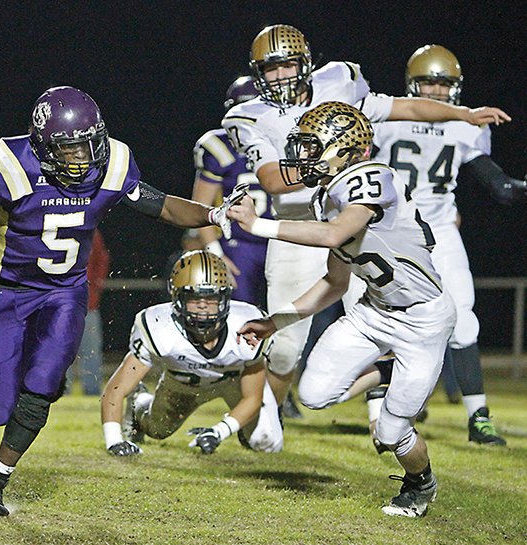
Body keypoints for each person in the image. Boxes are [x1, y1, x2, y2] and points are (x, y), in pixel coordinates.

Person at [0, 86, 243, 517]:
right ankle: (29, 390)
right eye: (71, 149)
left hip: (64, 294)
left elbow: (162, 206)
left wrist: (215, 214)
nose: (83, 158)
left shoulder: (110, 164)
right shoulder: (11, 168)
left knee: (38, 391)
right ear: (43, 146)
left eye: (89, 145)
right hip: (9, 293)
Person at [221, 24, 511, 441]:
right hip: (300, 225)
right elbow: (271, 178)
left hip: (353, 216)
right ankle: (275, 408)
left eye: (289, 66)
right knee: (284, 348)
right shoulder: (249, 115)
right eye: (272, 69)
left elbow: (405, 108)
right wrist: (324, 161)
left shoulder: (339, 81)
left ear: (306, 65)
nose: (282, 75)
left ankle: (385, 411)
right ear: (258, 73)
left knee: (387, 309)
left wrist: (461, 115)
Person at [229, 101, 456, 517]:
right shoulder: (326, 197)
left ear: (345, 150)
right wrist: (273, 322)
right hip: (374, 312)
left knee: (389, 432)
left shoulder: (373, 176)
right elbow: (336, 283)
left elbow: (337, 232)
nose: (302, 157)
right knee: (313, 396)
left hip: (423, 319)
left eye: (313, 147)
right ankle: (388, 371)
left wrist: (258, 224)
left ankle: (420, 486)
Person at [372, 44, 524, 446]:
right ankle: (386, 409)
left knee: (463, 318)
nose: (437, 92)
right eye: (428, 83)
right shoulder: (386, 118)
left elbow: (498, 185)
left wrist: (513, 188)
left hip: (439, 230)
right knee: (381, 321)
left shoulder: (467, 125)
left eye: (444, 85)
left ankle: (479, 417)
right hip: (392, 232)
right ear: (411, 85)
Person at [101, 249, 280, 456]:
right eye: (194, 299)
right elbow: (116, 389)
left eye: (211, 299)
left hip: (234, 382)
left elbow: (252, 397)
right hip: (182, 385)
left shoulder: (249, 325)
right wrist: (114, 441)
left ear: (224, 298)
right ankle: (139, 404)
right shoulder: (159, 326)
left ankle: (245, 429)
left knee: (267, 442)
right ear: (177, 298)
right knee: (157, 430)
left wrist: (219, 431)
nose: (203, 307)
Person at [191, 76, 272, 305]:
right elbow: (201, 207)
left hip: (281, 238)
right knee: (239, 312)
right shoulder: (219, 146)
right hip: (238, 244)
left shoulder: (285, 141)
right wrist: (215, 252)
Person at [67, 230, 110, 395]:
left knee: (91, 350)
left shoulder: (90, 228)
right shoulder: (53, 221)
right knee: (61, 350)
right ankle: (61, 390)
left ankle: (92, 389)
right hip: (60, 304)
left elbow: (102, 259)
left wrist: (95, 286)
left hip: (87, 304)